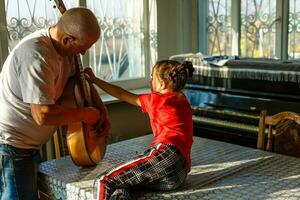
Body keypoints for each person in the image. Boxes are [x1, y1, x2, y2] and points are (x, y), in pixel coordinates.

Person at [0, 7, 109, 200]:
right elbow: (43, 115)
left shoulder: (68, 53)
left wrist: (102, 111)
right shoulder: (35, 56)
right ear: (67, 39)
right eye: (83, 47)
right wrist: (85, 114)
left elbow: (79, 79)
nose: (83, 53)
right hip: (12, 146)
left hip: (30, 146)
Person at [84, 60, 194, 200]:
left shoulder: (156, 99)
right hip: (180, 173)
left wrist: (95, 80)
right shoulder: (182, 99)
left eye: (152, 78)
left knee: (104, 180)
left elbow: (121, 93)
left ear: (162, 83)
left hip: (167, 155)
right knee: (125, 185)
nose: (150, 81)